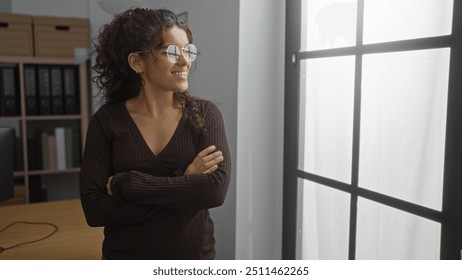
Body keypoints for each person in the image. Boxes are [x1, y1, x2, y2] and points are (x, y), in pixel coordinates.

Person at [79, 7, 231, 260]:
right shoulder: (106, 122)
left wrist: (128, 184)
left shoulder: (206, 115)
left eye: (188, 51)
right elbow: (95, 211)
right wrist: (185, 183)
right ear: (137, 62)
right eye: (172, 52)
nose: (185, 61)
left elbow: (214, 191)